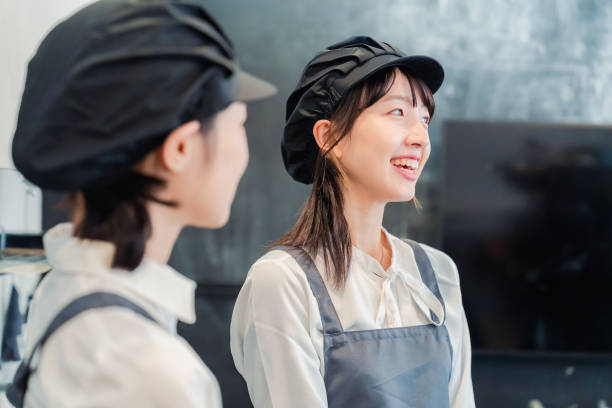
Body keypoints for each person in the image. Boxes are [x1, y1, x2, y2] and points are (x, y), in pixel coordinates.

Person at [8, 0, 275, 406]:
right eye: (238, 123)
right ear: (181, 149)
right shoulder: (147, 372)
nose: (244, 151)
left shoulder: (64, 287)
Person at [230, 36, 475, 407]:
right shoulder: (283, 282)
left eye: (424, 118)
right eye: (398, 113)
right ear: (330, 137)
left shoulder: (438, 273)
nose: (420, 138)